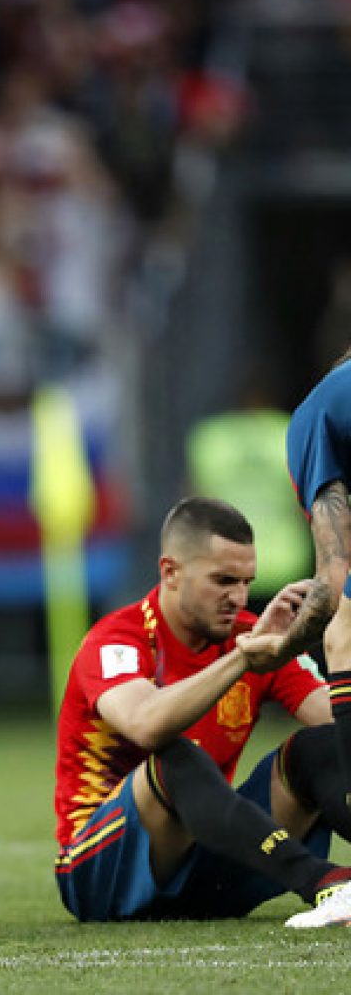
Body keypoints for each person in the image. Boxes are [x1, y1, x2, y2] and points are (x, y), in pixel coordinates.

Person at [54, 497, 351, 927]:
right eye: (223, 581)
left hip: (205, 868)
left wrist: (337, 642)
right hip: (100, 872)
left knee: (316, 749)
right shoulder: (116, 640)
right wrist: (243, 661)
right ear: (170, 572)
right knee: (176, 759)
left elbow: (336, 722)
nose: (239, 597)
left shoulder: (253, 637)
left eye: (247, 582)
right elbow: (146, 725)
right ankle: (328, 884)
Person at [238, 354, 351, 827]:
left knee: (344, 630)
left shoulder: (317, 414)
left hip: (286, 571)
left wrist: (279, 650)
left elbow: (330, 585)